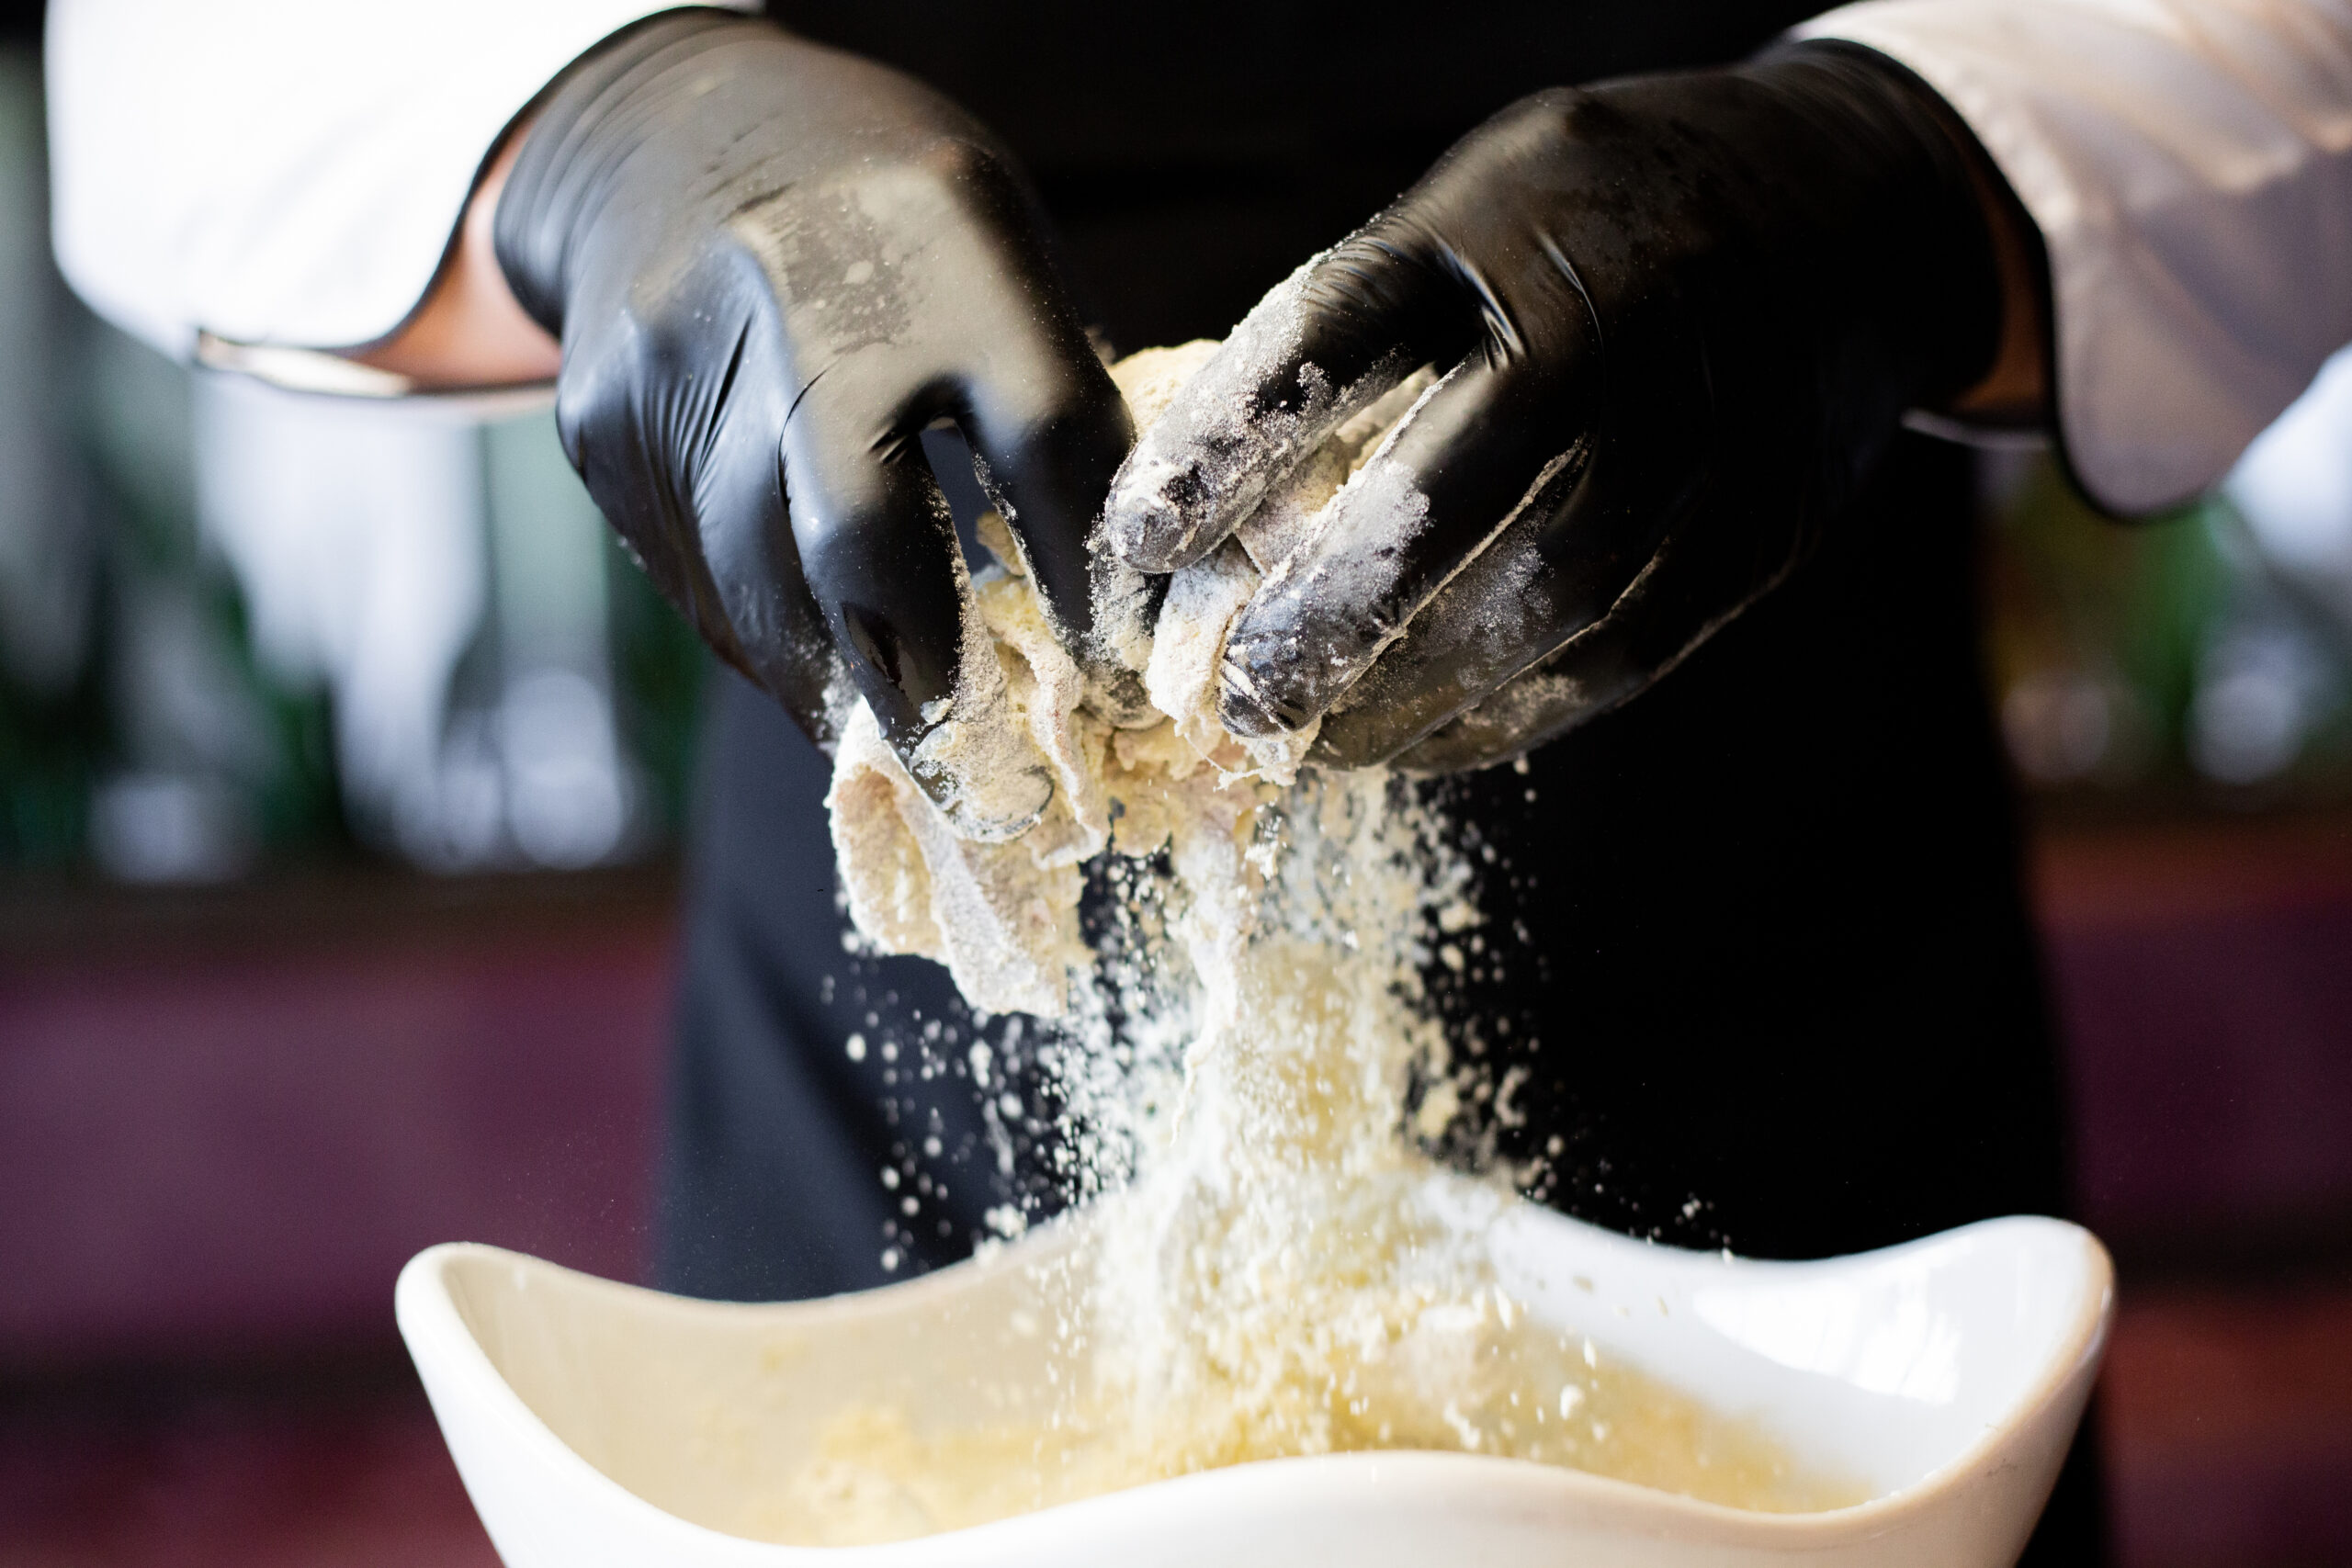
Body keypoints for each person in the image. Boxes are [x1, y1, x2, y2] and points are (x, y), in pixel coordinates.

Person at [46, 2, 2352, 1559]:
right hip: (889, 939)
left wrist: (1908, 173)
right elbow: (183, 68)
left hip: (1788, 967)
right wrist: (607, 130)